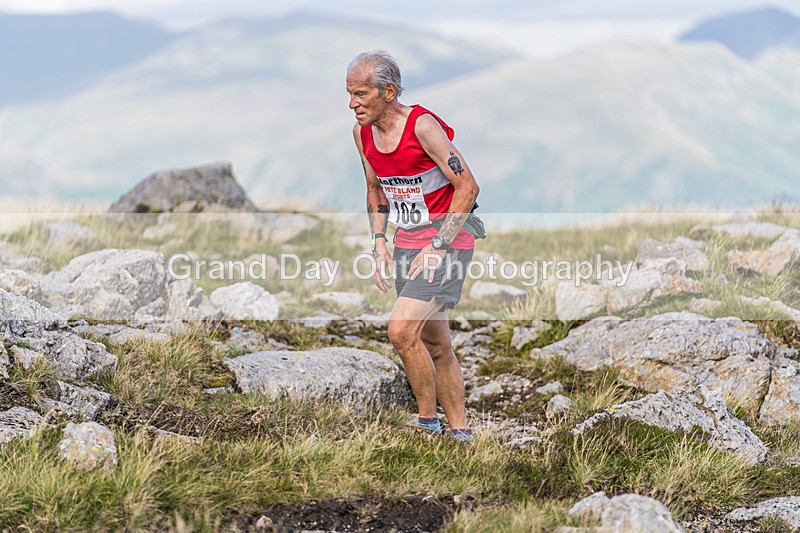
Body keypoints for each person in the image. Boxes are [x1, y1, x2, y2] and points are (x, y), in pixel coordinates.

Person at [346, 50, 481, 442]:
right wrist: (379, 244)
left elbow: (468, 187)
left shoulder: (422, 127)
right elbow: (375, 189)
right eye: (349, 94)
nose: (352, 104)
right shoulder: (362, 133)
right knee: (436, 343)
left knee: (401, 332)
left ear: (389, 91)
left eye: (361, 94)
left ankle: (427, 425)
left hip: (448, 242)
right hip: (407, 242)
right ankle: (462, 434)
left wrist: (439, 245)